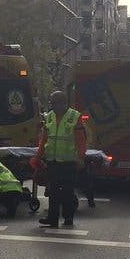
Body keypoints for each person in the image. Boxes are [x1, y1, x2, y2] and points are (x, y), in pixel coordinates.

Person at [37, 90, 87, 227]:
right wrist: (38, 157)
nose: (52, 106)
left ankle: (68, 218)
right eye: (51, 103)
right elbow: (44, 140)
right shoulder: (50, 117)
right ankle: (52, 219)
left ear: (63, 103)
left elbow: (81, 141)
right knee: (52, 191)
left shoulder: (74, 116)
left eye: (54, 103)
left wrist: (81, 158)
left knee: (67, 192)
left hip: (68, 162)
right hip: (52, 161)